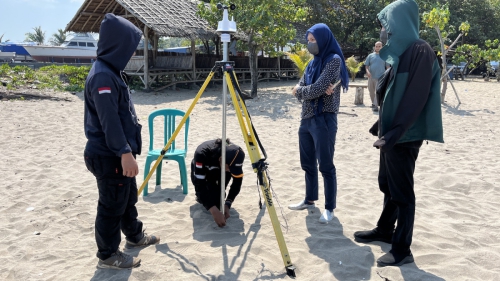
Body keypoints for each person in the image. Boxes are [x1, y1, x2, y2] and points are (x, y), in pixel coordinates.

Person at [353, 0, 444, 267]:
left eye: (386, 25)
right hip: (393, 132)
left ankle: (402, 249)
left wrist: (394, 131)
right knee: (388, 184)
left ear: (399, 22)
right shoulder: (400, 53)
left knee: (403, 192)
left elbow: (415, 97)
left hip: (405, 135)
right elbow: (392, 94)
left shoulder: (420, 50)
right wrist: (381, 125)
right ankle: (384, 230)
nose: (384, 31)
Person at [83, 14, 159, 269]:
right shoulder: (103, 76)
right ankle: (107, 255)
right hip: (109, 154)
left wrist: (127, 151)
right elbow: (109, 121)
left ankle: (135, 236)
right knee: (112, 205)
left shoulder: (111, 71)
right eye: (128, 47)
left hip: (120, 152)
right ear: (117, 45)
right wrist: (124, 152)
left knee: (127, 199)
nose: (131, 52)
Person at [288, 23, 349, 223]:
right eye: (309, 40)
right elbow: (307, 90)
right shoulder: (312, 63)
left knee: (326, 165)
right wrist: (308, 90)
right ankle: (309, 199)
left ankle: (329, 208)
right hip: (305, 118)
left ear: (323, 39)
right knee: (307, 163)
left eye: (313, 40)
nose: (310, 43)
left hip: (324, 117)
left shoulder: (333, 60)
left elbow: (309, 90)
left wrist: (303, 90)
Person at [191, 139, 245, 227]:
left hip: (220, 169)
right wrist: (213, 211)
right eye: (229, 168)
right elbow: (199, 185)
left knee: (218, 201)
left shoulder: (236, 155)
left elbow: (237, 182)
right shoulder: (201, 154)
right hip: (204, 169)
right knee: (205, 199)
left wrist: (228, 204)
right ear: (221, 159)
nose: (230, 171)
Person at [364, 41, 389, 112]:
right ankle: (373, 103)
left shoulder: (385, 56)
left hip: (381, 77)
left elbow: (387, 67)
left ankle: (375, 105)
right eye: (376, 46)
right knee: (371, 91)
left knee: (377, 91)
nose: (377, 48)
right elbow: (366, 66)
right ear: (374, 47)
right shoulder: (370, 56)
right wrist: (367, 72)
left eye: (379, 46)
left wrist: (387, 76)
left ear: (382, 47)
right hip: (371, 77)